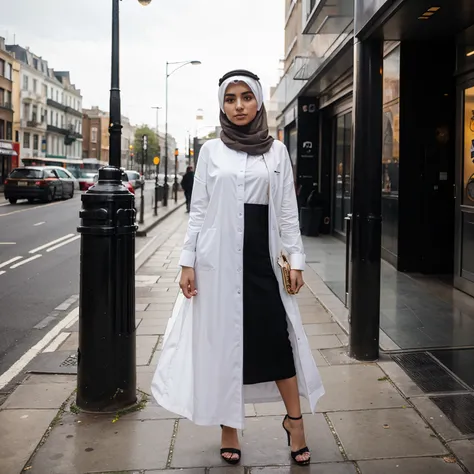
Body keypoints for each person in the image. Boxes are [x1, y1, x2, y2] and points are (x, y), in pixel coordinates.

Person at [151, 69, 324, 466]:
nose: (239, 105)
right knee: (225, 348)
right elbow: (198, 213)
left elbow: (286, 210)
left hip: (261, 263)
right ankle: (229, 428)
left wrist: (296, 259)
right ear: (222, 106)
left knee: (277, 342)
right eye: (231, 99)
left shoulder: (276, 151)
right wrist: (186, 263)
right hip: (218, 263)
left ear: (259, 101)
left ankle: (295, 423)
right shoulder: (211, 151)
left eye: (246, 97)